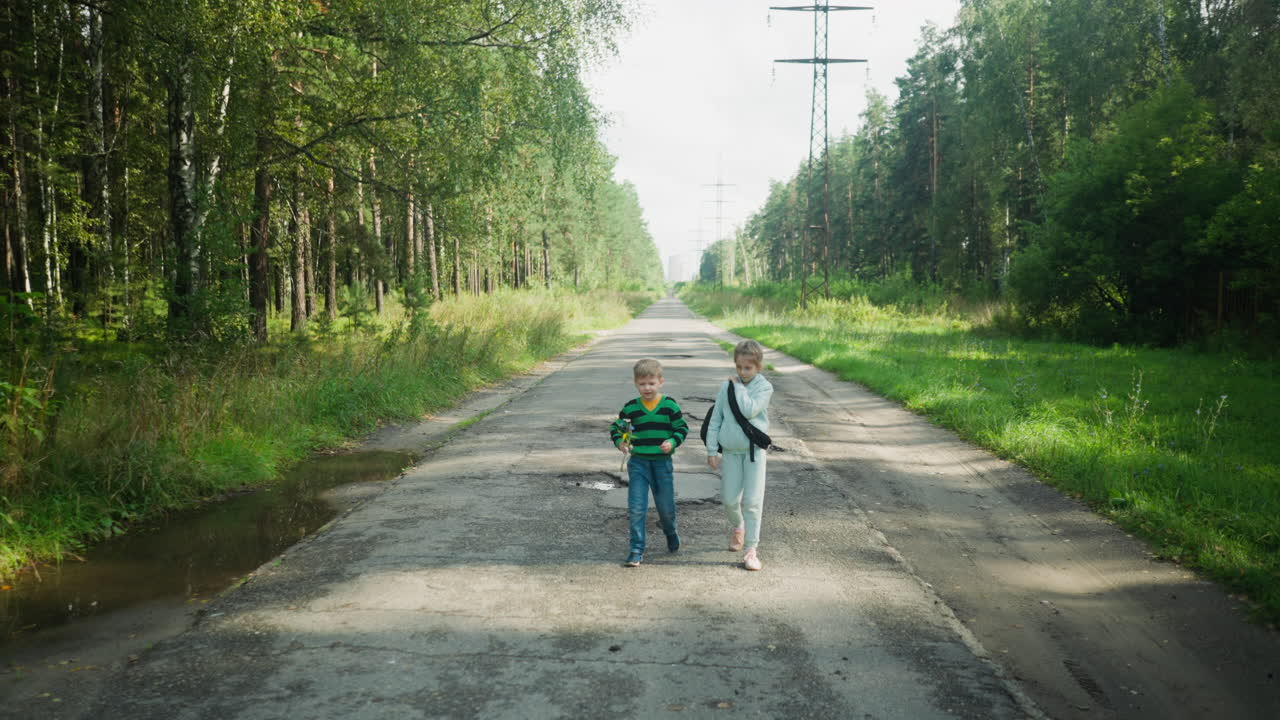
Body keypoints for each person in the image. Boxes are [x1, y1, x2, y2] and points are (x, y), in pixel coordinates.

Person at [611, 358, 689, 567]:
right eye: (642, 383)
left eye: (651, 383)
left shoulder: (669, 406)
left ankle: (670, 531)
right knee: (637, 507)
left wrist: (672, 442)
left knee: (665, 508)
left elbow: (681, 428)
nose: (647, 388)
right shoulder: (631, 408)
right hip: (638, 463)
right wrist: (620, 442)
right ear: (636, 384)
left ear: (660, 382)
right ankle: (636, 549)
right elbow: (617, 428)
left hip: (662, 464)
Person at [705, 340, 774, 571]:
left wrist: (739, 387)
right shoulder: (726, 387)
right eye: (739, 367)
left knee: (753, 502)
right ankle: (739, 527)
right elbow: (716, 419)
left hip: (754, 452)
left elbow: (748, 409)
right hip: (732, 453)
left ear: (758, 367)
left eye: (748, 368)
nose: (743, 372)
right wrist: (712, 449)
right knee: (729, 500)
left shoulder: (764, 388)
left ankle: (751, 550)